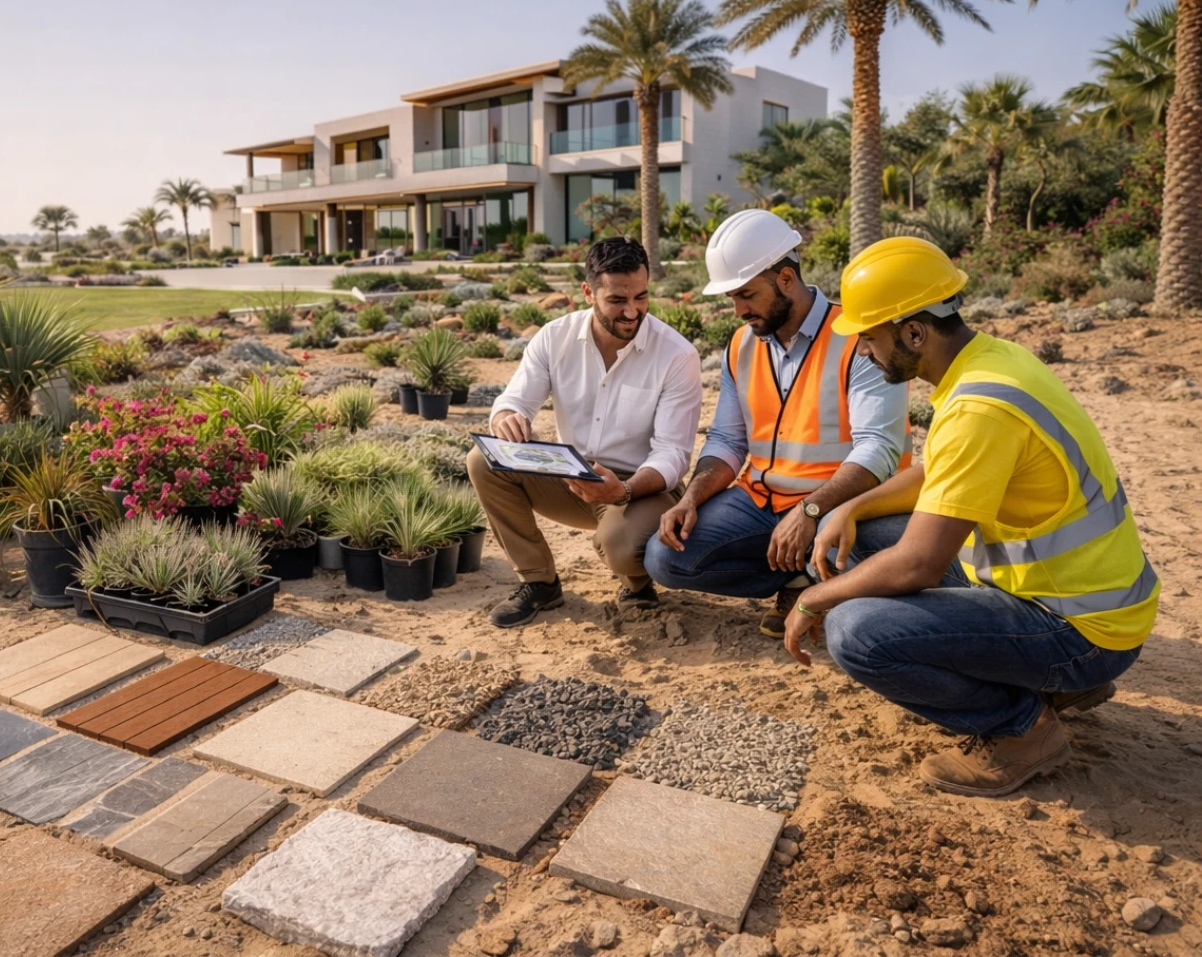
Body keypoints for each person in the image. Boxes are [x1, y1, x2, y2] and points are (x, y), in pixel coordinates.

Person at [784, 237, 1158, 797]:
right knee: (861, 540)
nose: (863, 352)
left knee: (855, 632)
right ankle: (1051, 688)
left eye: (869, 337)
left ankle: (1023, 729)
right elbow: (938, 472)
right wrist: (851, 506)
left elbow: (916, 566)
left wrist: (813, 599)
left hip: (1084, 630)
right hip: (1073, 598)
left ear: (914, 332)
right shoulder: (993, 362)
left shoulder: (980, 407)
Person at [644, 210, 912, 637]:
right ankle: (800, 577)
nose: (738, 309)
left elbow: (879, 448)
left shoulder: (859, 336)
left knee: (865, 547)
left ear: (786, 278)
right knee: (665, 557)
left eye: (746, 294)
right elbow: (728, 440)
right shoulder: (740, 345)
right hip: (761, 501)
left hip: (844, 505)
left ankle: (822, 582)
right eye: (732, 297)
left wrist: (810, 510)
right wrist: (691, 498)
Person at [470, 237, 702, 628]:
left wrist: (623, 491)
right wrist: (507, 418)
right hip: (572, 475)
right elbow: (514, 400)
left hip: (641, 487)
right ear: (587, 292)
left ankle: (637, 582)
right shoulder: (554, 336)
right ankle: (540, 583)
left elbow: (673, 454)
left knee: (621, 546)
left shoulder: (678, 355)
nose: (633, 312)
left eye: (642, 297)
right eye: (617, 301)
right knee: (483, 461)